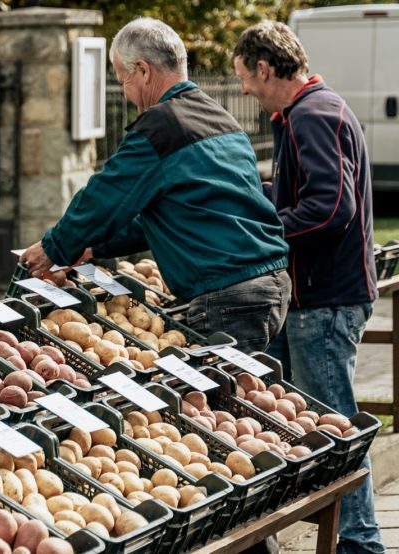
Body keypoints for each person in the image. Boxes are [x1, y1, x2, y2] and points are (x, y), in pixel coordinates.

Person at [20, 17, 291, 354]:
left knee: (212, 390)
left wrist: (53, 247)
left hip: (228, 293)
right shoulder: (220, 118)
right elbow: (169, 218)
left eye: (123, 78)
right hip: (270, 283)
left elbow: (106, 195)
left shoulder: (161, 128)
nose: (126, 91)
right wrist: (92, 247)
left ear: (143, 71)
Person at [233, 21, 383, 554]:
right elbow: (310, 193)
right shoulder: (312, 111)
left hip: (325, 301)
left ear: (264, 68)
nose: (245, 90)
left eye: (244, 77)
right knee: (309, 421)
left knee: (335, 428)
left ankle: (360, 542)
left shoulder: (311, 115)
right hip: (321, 298)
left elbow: (331, 207)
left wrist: (266, 232)